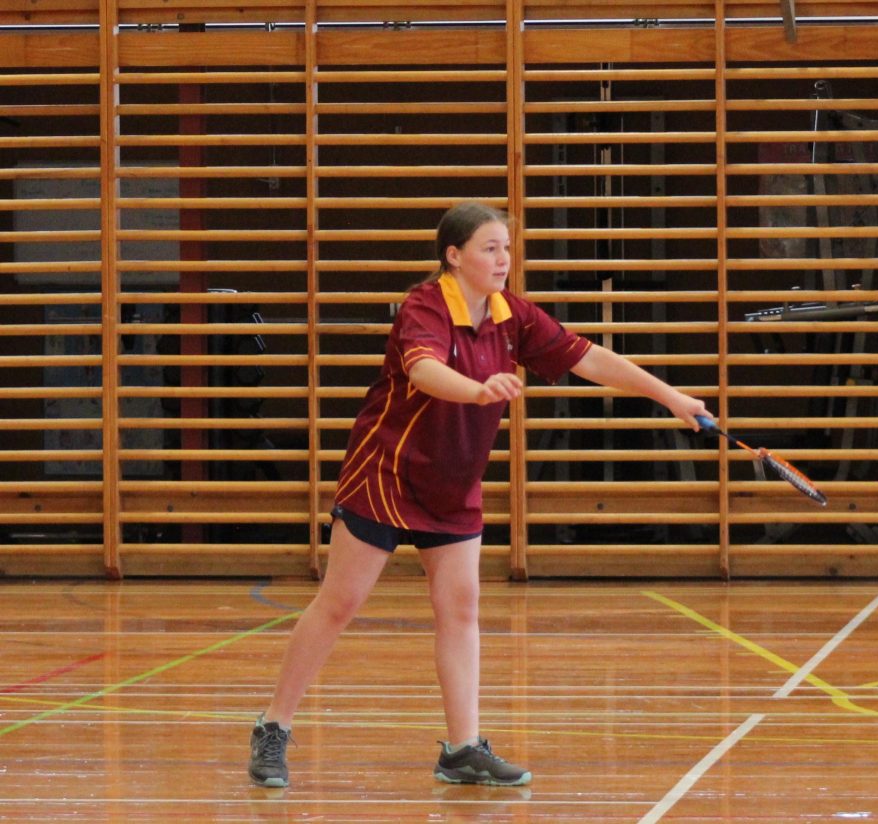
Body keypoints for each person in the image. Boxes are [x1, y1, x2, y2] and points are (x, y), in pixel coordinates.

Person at [248, 201, 710, 788]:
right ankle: (273, 727)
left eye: (507, 248)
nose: (503, 259)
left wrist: (670, 396)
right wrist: (478, 390)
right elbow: (422, 371)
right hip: (387, 474)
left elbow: (586, 356)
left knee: (461, 608)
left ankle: (462, 748)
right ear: (454, 255)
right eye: (490, 248)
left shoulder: (509, 313)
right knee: (340, 604)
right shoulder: (425, 305)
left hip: (453, 480)